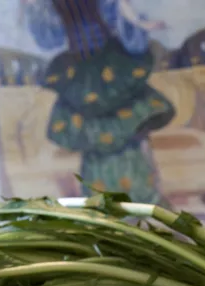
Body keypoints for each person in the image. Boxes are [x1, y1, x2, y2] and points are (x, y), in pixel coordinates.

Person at [26, 0, 175, 203]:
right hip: (82, 73)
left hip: (112, 66)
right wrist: (34, 7)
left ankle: (144, 195)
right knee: (94, 137)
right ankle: (102, 202)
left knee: (129, 130)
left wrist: (139, 24)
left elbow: (124, 16)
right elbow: (49, 38)